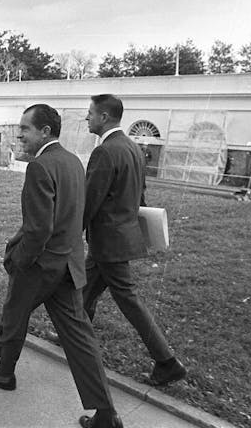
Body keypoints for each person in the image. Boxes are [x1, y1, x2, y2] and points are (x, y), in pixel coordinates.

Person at [0, 104, 123, 428]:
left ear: (45, 132)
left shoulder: (39, 167)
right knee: (80, 338)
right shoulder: (73, 162)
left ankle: (4, 374)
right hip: (69, 264)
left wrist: (19, 261)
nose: (20, 134)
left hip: (41, 265)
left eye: (25, 128)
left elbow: (38, 229)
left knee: (14, 311)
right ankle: (106, 413)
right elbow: (76, 216)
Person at [82, 94, 186, 387]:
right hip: (119, 238)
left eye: (90, 113)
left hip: (108, 244)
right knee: (83, 294)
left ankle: (167, 361)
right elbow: (140, 195)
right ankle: (75, 338)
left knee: (129, 301)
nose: (87, 118)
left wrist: (70, 233)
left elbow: (90, 200)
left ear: (104, 117)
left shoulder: (105, 152)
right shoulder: (133, 148)